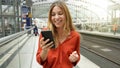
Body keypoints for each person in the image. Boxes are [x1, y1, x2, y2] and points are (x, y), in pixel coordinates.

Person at [36, 1, 80, 68]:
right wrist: (44, 51)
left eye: (60, 13)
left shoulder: (75, 36)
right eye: (53, 14)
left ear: (66, 15)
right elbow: (40, 61)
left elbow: (76, 58)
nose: (56, 17)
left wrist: (75, 59)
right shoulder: (45, 34)